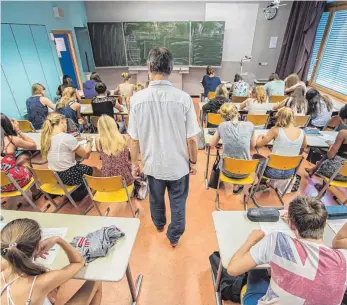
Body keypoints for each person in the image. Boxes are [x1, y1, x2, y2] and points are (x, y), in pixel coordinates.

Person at [128, 47, 200, 247]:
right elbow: (192, 139)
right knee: (179, 203)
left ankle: (159, 224)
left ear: (149, 67)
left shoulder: (136, 99)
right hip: (178, 166)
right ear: (171, 68)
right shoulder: (184, 98)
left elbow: (133, 140)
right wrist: (193, 161)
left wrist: (134, 164)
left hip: (153, 164)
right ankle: (174, 236)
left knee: (156, 199)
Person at [227, 196, 347, 305]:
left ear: (291, 224)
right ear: (325, 223)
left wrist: (250, 241)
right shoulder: (344, 258)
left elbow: (233, 269)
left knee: (256, 270)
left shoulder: (276, 241)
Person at [1, 218, 102, 305]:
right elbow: (78, 262)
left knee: (51, 292)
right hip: (39, 286)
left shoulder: (3, 266)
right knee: (96, 280)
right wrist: (58, 239)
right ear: (37, 247)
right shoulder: (42, 281)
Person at [209, 103, 256, 194]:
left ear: (223, 116)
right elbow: (253, 145)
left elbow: (211, 144)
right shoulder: (250, 125)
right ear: (236, 113)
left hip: (227, 170)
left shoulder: (222, 126)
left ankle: (229, 191)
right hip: (246, 170)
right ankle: (238, 188)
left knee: (224, 161)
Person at [40, 112, 94, 186]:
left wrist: (73, 140)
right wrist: (89, 141)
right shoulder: (66, 137)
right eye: (65, 122)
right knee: (93, 169)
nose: (66, 125)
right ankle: (94, 191)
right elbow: (86, 155)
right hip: (68, 176)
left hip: (54, 175)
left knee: (76, 161)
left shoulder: (46, 137)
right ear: (62, 121)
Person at [256, 107, 307, 179]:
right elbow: (304, 146)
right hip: (290, 172)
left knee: (256, 160)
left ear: (279, 118)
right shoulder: (302, 132)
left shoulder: (275, 130)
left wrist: (260, 137)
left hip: (272, 171)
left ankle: (262, 182)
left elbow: (258, 145)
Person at [1, 114, 36, 192]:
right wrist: (18, 130)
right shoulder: (11, 139)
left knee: (18, 159)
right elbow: (33, 145)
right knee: (25, 156)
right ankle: (35, 192)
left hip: (1, 186)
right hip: (14, 182)